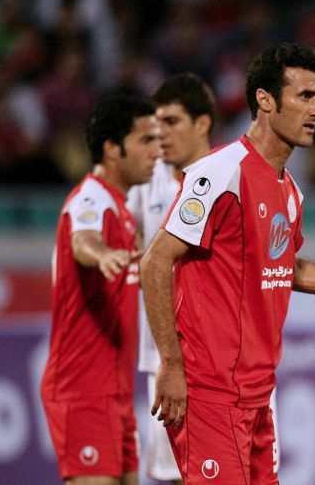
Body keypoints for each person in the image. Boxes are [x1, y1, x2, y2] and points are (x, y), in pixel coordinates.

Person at [139, 43, 315, 485]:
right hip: (209, 391)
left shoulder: (289, 189)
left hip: (257, 394)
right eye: (305, 96)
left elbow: (288, 268)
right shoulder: (220, 172)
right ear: (266, 100)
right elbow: (156, 260)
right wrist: (171, 364)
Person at [41, 94, 160, 485]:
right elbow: (84, 240)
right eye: (145, 140)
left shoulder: (121, 209)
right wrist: (103, 254)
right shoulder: (91, 199)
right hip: (82, 390)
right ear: (111, 148)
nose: (156, 151)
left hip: (115, 392)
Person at [126, 72, 215, 484]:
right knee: (176, 475)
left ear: (203, 123)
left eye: (172, 121)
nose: (161, 133)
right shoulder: (146, 182)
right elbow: (125, 238)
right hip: (163, 357)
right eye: (156, 123)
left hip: (220, 359)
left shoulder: (229, 176)